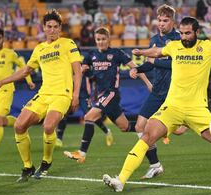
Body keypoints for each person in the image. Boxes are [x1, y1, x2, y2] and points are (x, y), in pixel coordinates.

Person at [103, 16, 211, 192]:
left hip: (197, 110)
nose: (184, 37)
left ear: (196, 32)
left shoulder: (208, 46)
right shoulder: (174, 46)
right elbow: (157, 52)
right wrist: (142, 52)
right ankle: (121, 180)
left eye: (187, 33)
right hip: (172, 108)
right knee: (147, 136)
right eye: (182, 33)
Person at [0, 9, 83, 182]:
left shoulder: (68, 43)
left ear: (60, 28)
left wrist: (75, 95)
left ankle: (46, 162)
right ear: (44, 28)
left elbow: (77, 71)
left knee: (48, 126)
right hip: (44, 93)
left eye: (56, 26)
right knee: (19, 125)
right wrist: (2, 81)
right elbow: (25, 71)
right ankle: (28, 166)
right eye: (49, 26)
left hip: (62, 94)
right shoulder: (39, 49)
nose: (52, 30)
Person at [63, 27, 152, 163]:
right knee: (125, 127)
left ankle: (82, 153)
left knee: (89, 117)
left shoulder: (116, 53)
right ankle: (154, 128)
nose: (101, 42)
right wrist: (84, 70)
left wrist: (148, 83)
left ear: (108, 39)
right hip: (101, 96)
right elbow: (83, 71)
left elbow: (135, 67)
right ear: (95, 40)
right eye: (98, 39)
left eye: (103, 39)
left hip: (111, 94)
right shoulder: (90, 55)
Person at [128, 4, 188, 179]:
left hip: (173, 91)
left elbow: (176, 63)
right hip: (157, 89)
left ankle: (192, 122)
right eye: (159, 20)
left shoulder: (179, 39)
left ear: (173, 21)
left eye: (165, 20)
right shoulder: (154, 39)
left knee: (177, 131)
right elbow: (150, 62)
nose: (161, 24)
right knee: (139, 126)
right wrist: (138, 70)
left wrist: (154, 62)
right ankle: (155, 165)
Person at [0, 28, 35, 162]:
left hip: (6, 90)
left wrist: (29, 81)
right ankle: (19, 123)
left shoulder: (10, 54)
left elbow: (23, 67)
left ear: (3, 39)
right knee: (1, 121)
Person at [55, 74, 113, 148]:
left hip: (83, 94)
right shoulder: (69, 65)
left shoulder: (84, 65)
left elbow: (92, 76)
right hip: (70, 92)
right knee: (64, 113)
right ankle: (59, 139)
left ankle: (107, 132)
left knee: (91, 115)